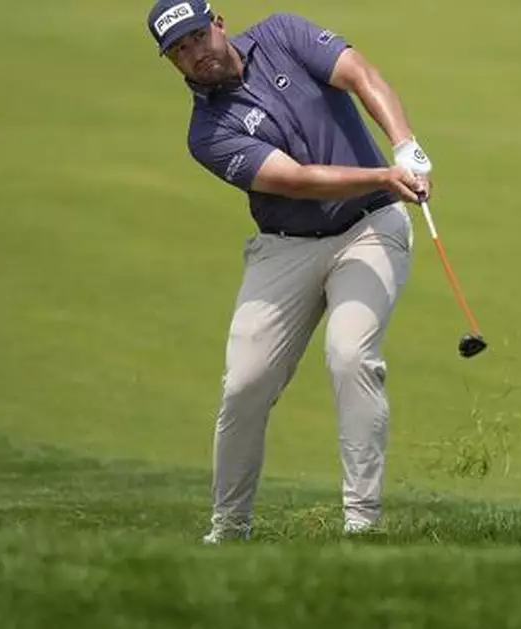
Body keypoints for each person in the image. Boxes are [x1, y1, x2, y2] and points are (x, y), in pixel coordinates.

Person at [145, 0, 434, 543]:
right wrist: (383, 173)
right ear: (174, 63)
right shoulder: (207, 133)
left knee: (350, 355)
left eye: (197, 37)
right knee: (244, 385)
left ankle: (362, 525)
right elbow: (297, 180)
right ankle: (229, 528)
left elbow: (361, 74)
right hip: (286, 248)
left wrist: (406, 147)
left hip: (369, 227)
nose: (194, 54)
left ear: (218, 24)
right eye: (179, 51)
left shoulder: (284, 32)